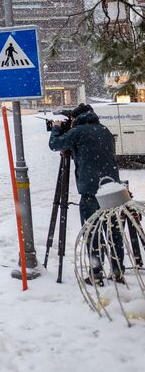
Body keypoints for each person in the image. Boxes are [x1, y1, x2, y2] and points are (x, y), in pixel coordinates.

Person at [49, 103, 126, 283]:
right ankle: (117, 271)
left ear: (76, 118)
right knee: (113, 231)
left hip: (91, 191)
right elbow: (91, 152)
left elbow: (54, 144)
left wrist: (57, 128)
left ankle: (96, 273)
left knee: (93, 231)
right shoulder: (104, 130)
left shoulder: (78, 132)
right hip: (112, 188)